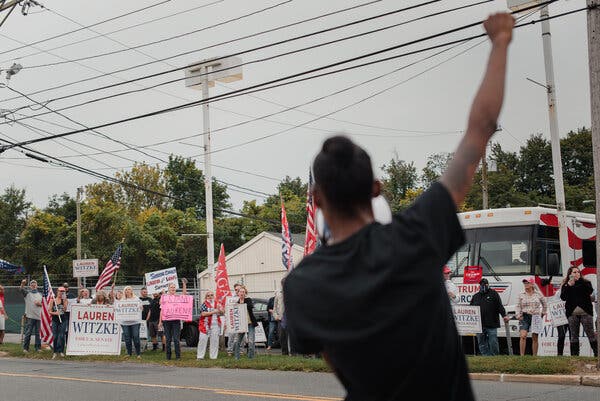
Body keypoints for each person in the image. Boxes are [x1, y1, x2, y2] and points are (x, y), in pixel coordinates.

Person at [282, 13, 515, 400]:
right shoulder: (417, 234)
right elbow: (480, 130)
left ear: (316, 199)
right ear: (376, 188)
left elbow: (337, 362)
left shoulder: (302, 285)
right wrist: (501, 41)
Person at [560, 266, 598, 356]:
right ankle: (575, 356)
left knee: (591, 334)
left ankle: (597, 354)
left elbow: (589, 291)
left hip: (586, 312)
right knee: (574, 336)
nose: (577, 273)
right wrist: (569, 285)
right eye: (574, 272)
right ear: (570, 274)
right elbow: (563, 297)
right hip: (572, 313)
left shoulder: (586, 283)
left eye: (578, 272)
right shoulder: (566, 285)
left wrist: (579, 280)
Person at [469, 278, 509, 356]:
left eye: (485, 284)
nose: (483, 286)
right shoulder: (475, 296)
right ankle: (486, 357)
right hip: (479, 325)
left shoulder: (494, 294)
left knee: (493, 341)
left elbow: (499, 306)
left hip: (492, 323)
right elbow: (471, 309)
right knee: (481, 342)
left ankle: (495, 356)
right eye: (482, 284)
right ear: (479, 285)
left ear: (488, 285)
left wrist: (504, 315)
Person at [516, 277, 547, 356]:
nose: (526, 284)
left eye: (528, 283)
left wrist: (543, 313)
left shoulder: (538, 294)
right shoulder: (521, 294)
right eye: (525, 283)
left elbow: (545, 304)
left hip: (536, 316)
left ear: (532, 284)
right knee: (523, 336)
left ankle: (534, 356)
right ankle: (522, 356)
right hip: (525, 316)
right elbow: (518, 305)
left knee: (535, 337)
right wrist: (518, 315)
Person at [158, 278, 188, 360]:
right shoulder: (165, 297)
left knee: (176, 339)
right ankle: (168, 356)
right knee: (168, 339)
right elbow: (162, 309)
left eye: (174, 287)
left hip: (176, 320)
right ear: (168, 289)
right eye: (171, 287)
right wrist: (160, 321)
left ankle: (178, 356)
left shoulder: (178, 297)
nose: (173, 289)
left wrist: (184, 284)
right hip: (166, 321)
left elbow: (184, 295)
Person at [197, 291, 223, 360]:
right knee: (202, 340)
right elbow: (203, 314)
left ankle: (213, 357)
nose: (210, 296)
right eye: (208, 295)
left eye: (211, 295)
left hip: (215, 324)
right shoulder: (204, 304)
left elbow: (223, 312)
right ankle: (200, 356)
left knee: (214, 341)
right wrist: (214, 312)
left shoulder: (217, 303)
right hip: (205, 324)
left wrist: (220, 310)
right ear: (206, 297)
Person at [20, 278, 43, 353]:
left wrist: (40, 304)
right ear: (30, 286)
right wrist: (23, 283)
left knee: (38, 334)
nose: (33, 285)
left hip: (39, 317)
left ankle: (38, 348)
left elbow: (45, 305)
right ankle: (25, 348)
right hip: (30, 317)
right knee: (28, 333)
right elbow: (21, 290)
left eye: (34, 284)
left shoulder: (40, 295)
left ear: (37, 285)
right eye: (32, 284)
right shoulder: (27, 294)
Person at [120, 286, 142, 359]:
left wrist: (140, 307)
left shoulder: (136, 299)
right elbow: (118, 309)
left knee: (136, 337)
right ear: (124, 291)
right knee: (127, 338)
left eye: (129, 289)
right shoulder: (122, 300)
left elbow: (141, 308)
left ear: (132, 291)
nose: (127, 291)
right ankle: (129, 353)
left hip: (135, 321)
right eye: (126, 290)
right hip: (125, 322)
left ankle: (138, 353)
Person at [48, 286, 68, 359]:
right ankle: (55, 351)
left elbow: (65, 310)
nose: (61, 293)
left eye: (63, 292)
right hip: (55, 320)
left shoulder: (65, 300)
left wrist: (65, 301)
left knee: (62, 336)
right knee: (55, 336)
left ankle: (61, 351)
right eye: (60, 291)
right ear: (57, 291)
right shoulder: (52, 300)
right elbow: (49, 311)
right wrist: (55, 313)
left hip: (63, 320)